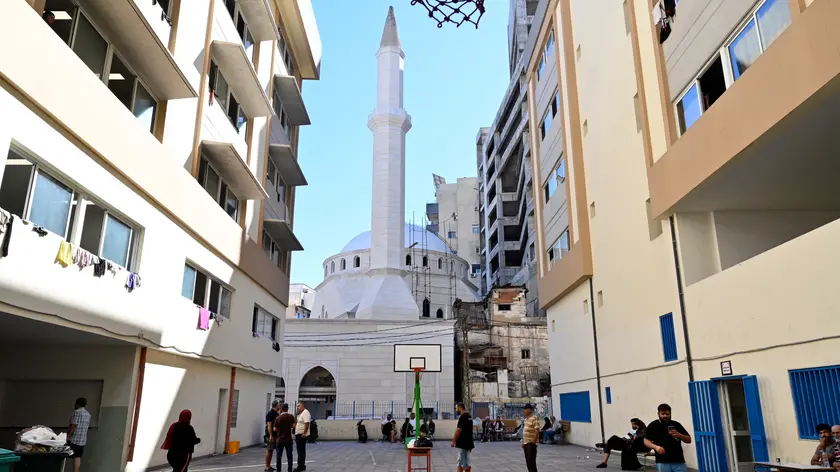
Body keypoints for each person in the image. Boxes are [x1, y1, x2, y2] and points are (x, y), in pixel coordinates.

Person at [644, 404, 691, 472]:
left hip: (679, 461)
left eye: (667, 414)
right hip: (662, 461)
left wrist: (679, 435)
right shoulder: (653, 425)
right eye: (662, 414)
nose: (665, 416)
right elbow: (646, 441)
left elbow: (689, 440)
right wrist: (656, 447)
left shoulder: (676, 424)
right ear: (658, 414)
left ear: (670, 413)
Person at [67, 397, 92, 472]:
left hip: (73, 440)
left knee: (64, 455)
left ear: (78, 404)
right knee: (77, 457)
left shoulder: (76, 412)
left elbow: (73, 426)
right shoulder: (88, 414)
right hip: (82, 441)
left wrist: (68, 436)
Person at [451, 402, 475, 472]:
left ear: (460, 408)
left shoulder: (463, 417)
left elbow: (459, 430)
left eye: (456, 408)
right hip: (468, 443)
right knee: (466, 463)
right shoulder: (469, 416)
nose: (456, 410)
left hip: (463, 443)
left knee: (460, 464)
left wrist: (453, 441)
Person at [273, 404, 295, 472]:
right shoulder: (291, 416)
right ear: (287, 409)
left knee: (279, 455)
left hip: (280, 440)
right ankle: (290, 469)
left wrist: (280, 429)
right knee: (289, 455)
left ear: (281, 409)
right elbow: (294, 426)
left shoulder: (278, 418)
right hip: (288, 439)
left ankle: (279, 470)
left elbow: (274, 429)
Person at [522, 404, 540, 472]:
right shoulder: (526, 419)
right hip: (526, 443)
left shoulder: (534, 418)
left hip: (531, 444)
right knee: (528, 462)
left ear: (529, 410)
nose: (524, 411)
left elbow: (537, 430)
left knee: (531, 462)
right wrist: (523, 442)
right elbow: (525, 431)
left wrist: (533, 441)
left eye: (525, 409)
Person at [293, 402, 311, 472]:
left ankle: (300, 466)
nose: (297, 407)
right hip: (298, 434)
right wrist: (296, 414)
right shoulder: (300, 414)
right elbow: (295, 423)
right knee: (300, 450)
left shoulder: (305, 412)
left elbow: (307, 423)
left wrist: (304, 432)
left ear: (302, 406)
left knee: (300, 451)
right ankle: (302, 465)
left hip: (301, 434)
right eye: (297, 406)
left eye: (298, 406)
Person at [265, 400, 281, 472]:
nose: (280, 406)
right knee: (269, 450)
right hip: (271, 435)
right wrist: (271, 435)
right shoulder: (270, 413)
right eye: (279, 405)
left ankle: (269, 466)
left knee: (271, 451)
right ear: (276, 405)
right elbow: (269, 425)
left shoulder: (276, 413)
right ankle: (267, 467)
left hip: (275, 435)